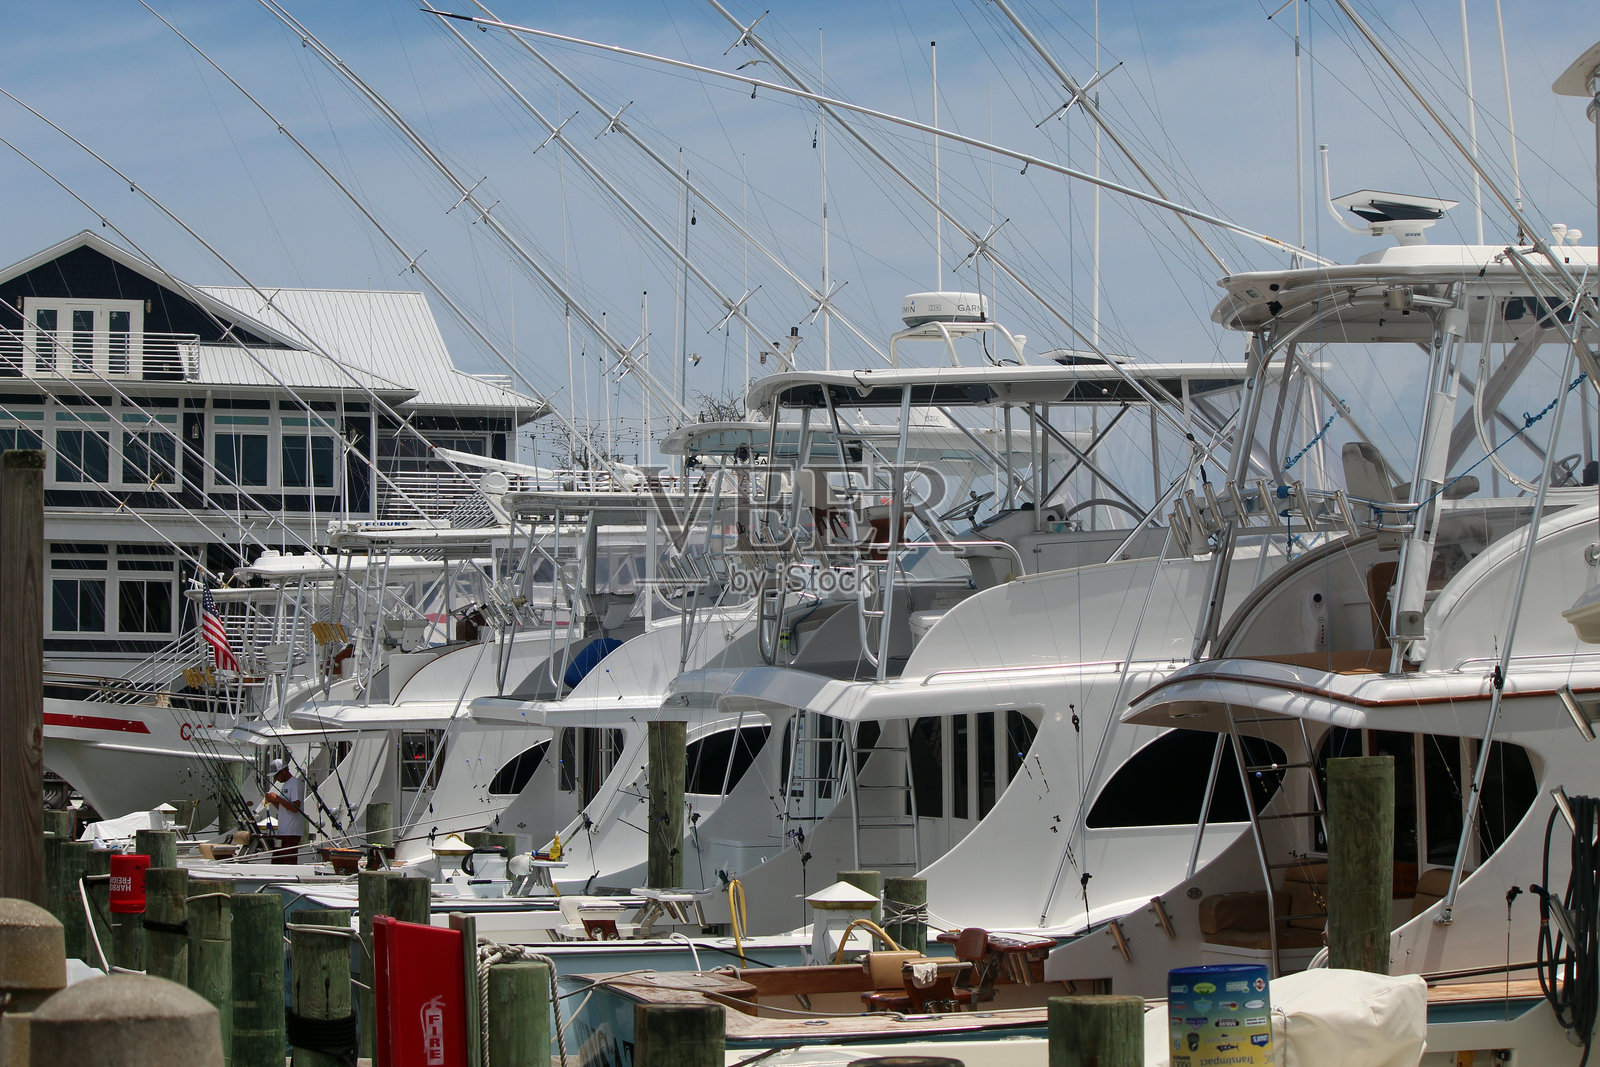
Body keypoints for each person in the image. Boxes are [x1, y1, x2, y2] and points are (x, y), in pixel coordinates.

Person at [264, 758, 305, 864]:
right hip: (282, 832)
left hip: (291, 833)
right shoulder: (285, 785)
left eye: (276, 775)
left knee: (288, 862)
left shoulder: (295, 784)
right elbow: (283, 807)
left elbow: (295, 808)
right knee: (277, 862)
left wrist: (278, 798)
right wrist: (273, 801)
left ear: (283, 771)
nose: (275, 779)